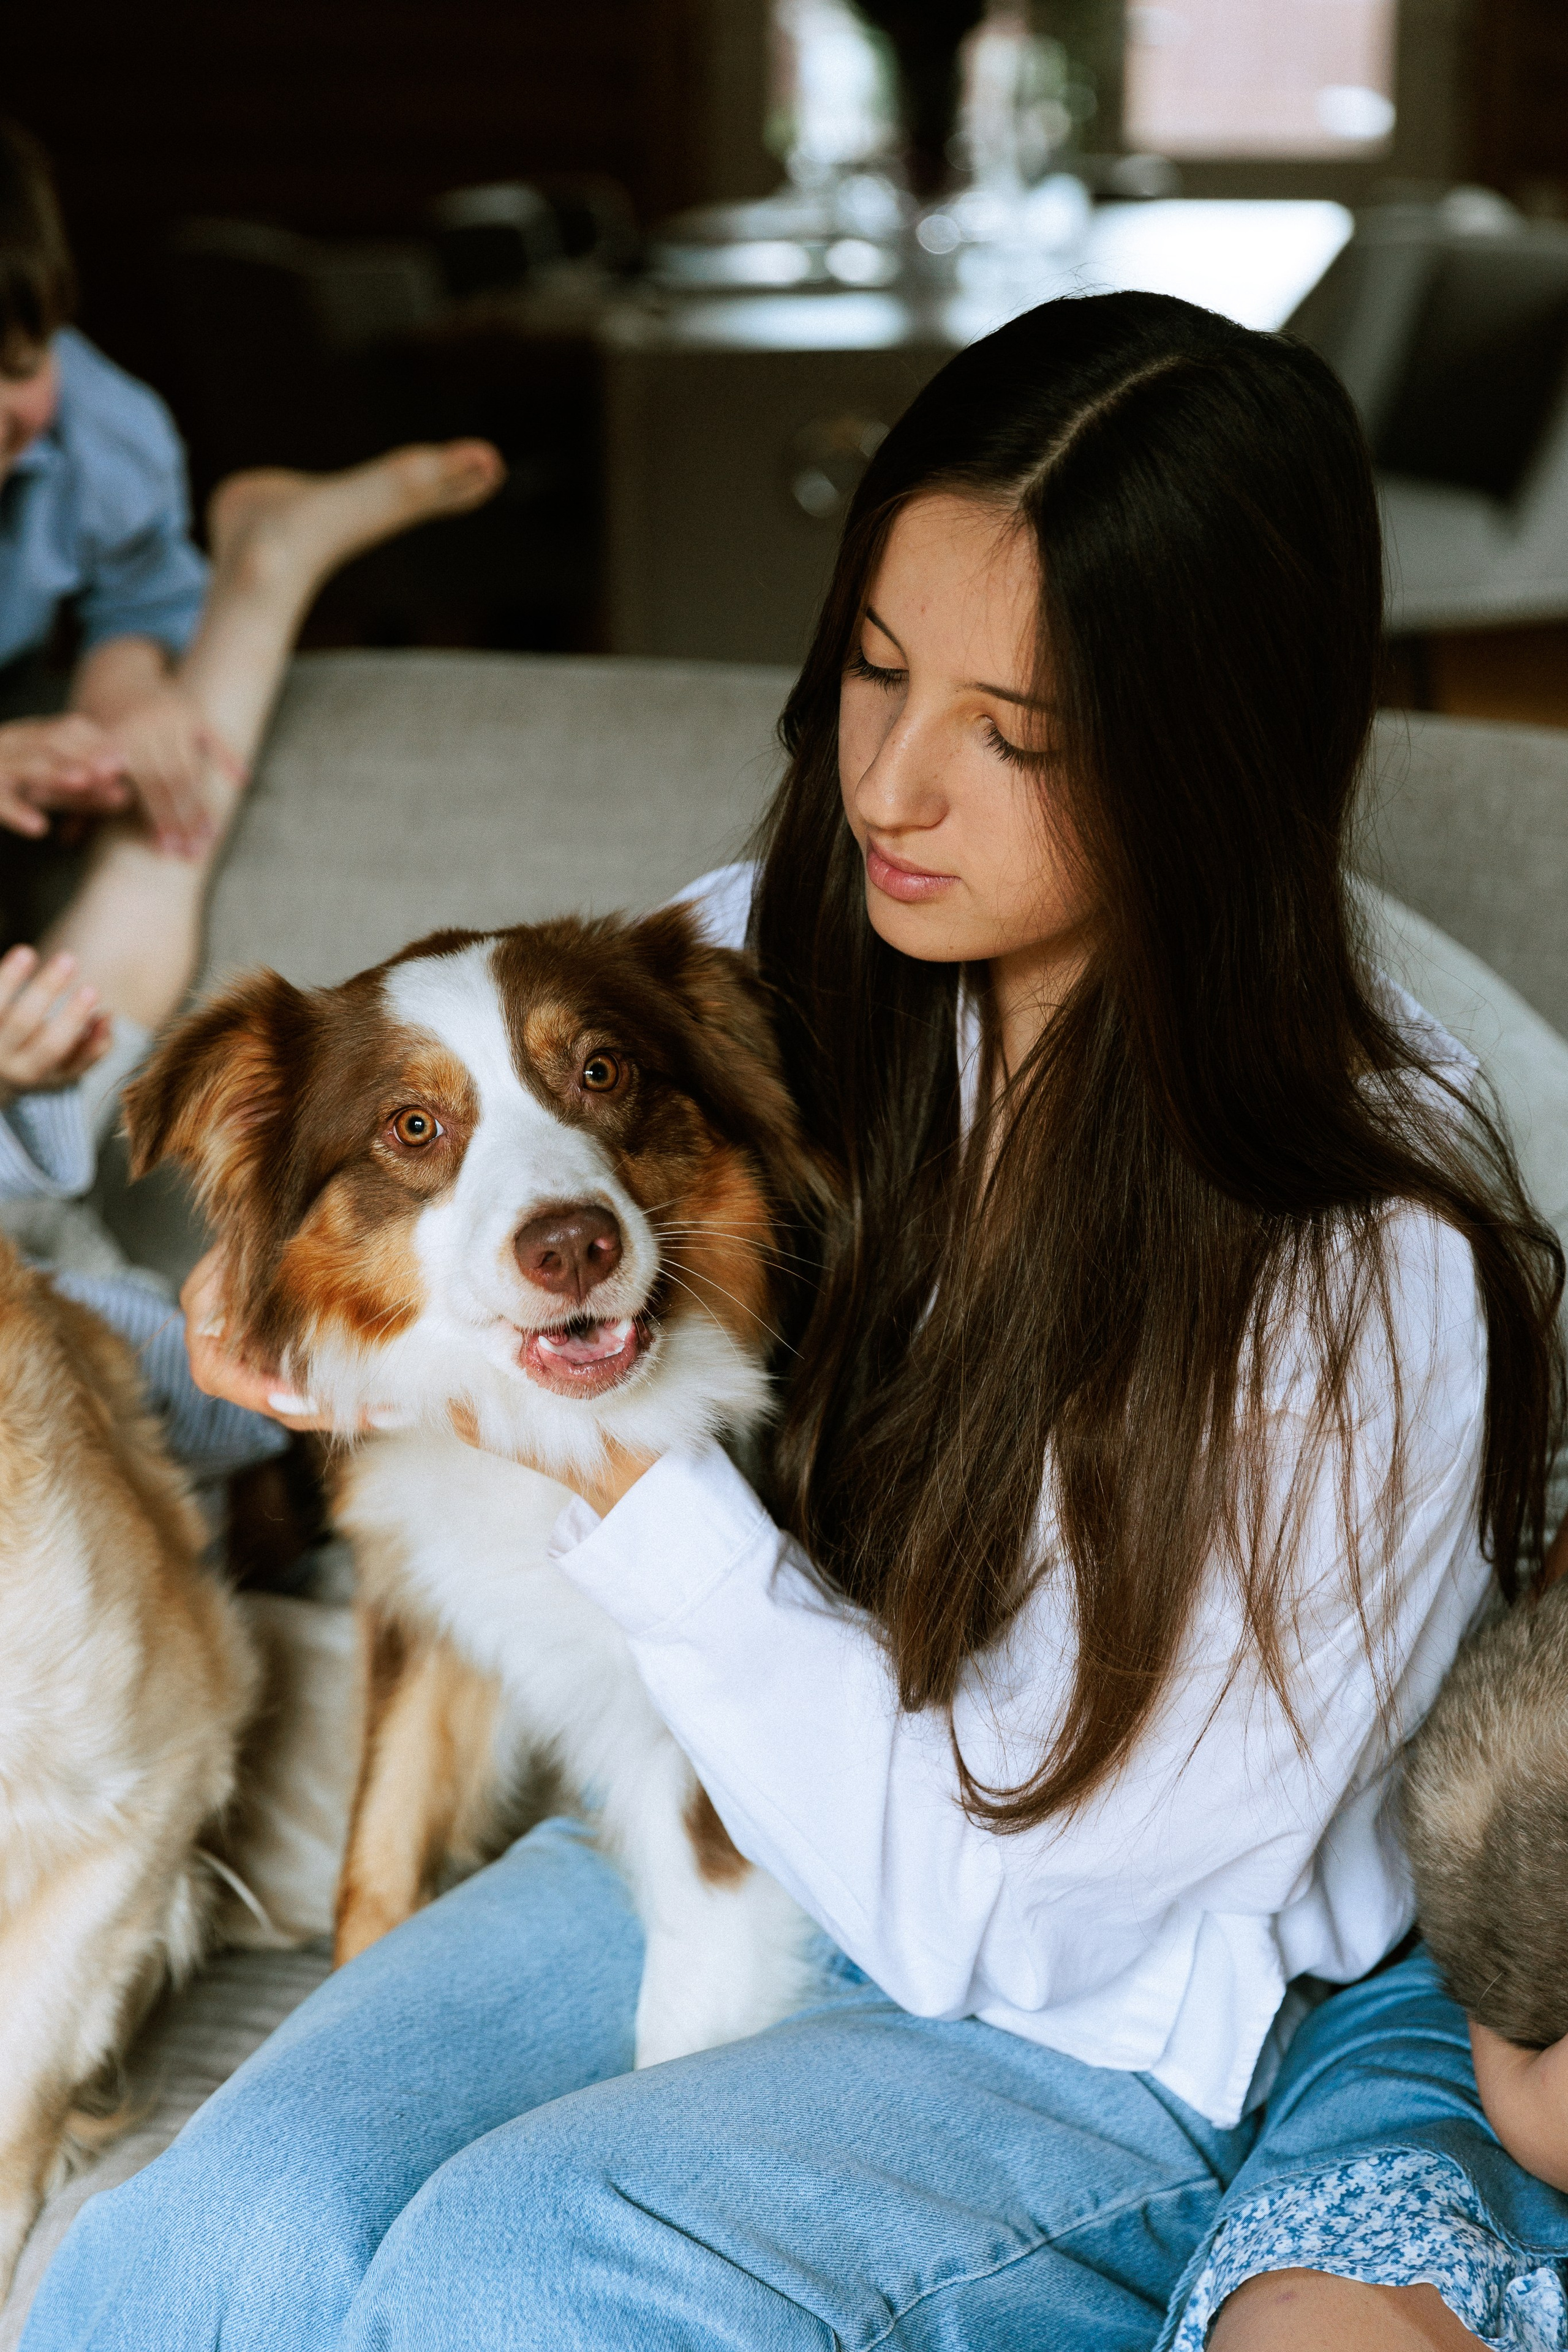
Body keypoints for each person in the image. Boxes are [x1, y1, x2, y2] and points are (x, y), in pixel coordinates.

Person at [23, 293, 1568, 2352]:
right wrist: (288, 1262)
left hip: (1094, 1990)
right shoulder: (800, 951)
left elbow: (1008, 1915)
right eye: (873, 671)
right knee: (203, 2256)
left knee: (532, 2275)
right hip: (728, 1818)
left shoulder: (1362, 1246)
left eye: (1013, 733)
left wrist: (617, 1473)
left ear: (1212, 762)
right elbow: (459, 1138)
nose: (897, 792)